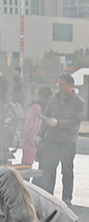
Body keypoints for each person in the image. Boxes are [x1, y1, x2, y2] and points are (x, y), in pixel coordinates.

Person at [35, 73, 85, 205]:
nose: (60, 87)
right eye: (59, 84)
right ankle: (48, 197)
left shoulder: (79, 102)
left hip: (67, 143)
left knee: (67, 171)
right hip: (52, 141)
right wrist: (40, 135)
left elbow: (75, 123)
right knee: (49, 169)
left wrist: (58, 123)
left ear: (71, 85)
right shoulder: (53, 99)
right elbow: (45, 118)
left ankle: (66, 198)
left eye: (62, 85)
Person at [21, 86, 52, 166]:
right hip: (46, 138)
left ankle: (26, 177)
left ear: (40, 95)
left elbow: (29, 123)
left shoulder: (35, 106)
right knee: (44, 164)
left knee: (27, 161)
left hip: (32, 137)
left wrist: (23, 133)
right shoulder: (51, 106)